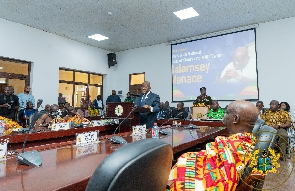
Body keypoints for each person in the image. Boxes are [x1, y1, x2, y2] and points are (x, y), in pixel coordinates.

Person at [169, 100, 259, 190]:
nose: (224, 115)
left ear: (235, 119)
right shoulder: (247, 142)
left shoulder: (237, 147)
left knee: (182, 161)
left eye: (227, 112)